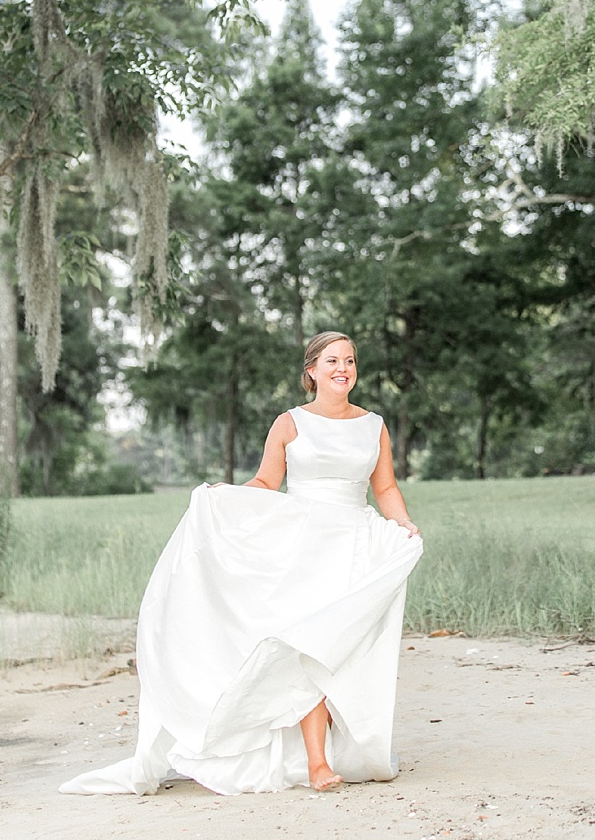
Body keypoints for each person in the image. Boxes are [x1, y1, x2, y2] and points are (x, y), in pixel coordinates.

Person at [62, 331, 423, 798]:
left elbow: (386, 488)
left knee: (339, 649)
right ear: (311, 370)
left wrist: (405, 524)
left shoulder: (373, 425)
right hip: (303, 545)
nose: (343, 368)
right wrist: (225, 497)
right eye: (332, 360)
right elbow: (267, 481)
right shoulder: (289, 423)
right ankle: (316, 762)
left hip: (356, 544)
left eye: (350, 360)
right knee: (307, 645)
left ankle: (324, 754)